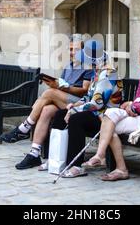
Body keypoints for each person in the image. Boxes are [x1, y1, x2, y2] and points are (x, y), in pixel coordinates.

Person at [82, 41, 140, 181]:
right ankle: (101, 156)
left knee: (109, 126)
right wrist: (132, 105)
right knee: (110, 114)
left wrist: (132, 106)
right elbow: (138, 99)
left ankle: (121, 168)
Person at [6, 35, 94, 170]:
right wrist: (55, 83)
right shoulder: (69, 66)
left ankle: (24, 127)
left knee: (49, 93)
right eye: (70, 49)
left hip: (80, 104)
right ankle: (34, 154)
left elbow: (84, 91)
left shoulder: (87, 67)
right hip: (65, 101)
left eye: (76, 49)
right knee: (46, 110)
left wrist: (61, 87)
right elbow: (63, 83)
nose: (72, 52)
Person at [50, 39, 123, 178]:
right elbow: (88, 97)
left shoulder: (108, 73)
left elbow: (97, 104)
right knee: (61, 114)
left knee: (76, 119)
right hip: (95, 113)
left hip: (105, 116)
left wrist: (75, 111)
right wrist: (75, 105)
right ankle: (57, 159)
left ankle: (76, 166)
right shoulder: (97, 72)